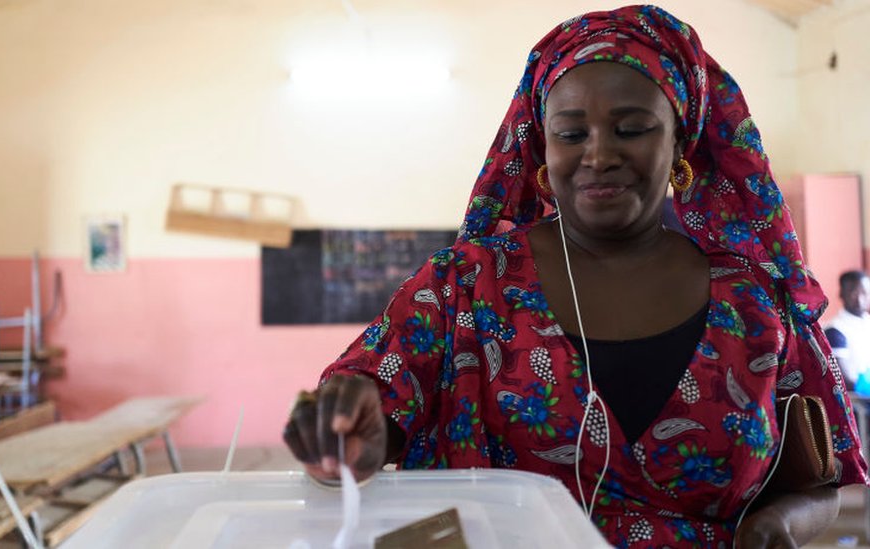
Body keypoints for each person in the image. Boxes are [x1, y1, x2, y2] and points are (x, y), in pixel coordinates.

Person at [282, 5, 868, 547]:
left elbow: (820, 479)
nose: (599, 154)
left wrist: (780, 524)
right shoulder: (465, 287)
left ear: (680, 137)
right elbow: (368, 413)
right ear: (542, 147)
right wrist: (345, 434)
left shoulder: (756, 303)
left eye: (632, 128)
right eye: (570, 133)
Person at [825, 270, 870, 390]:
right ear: (841, 294)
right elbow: (844, 378)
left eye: (865, 293)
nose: (860, 299)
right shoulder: (835, 330)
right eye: (854, 293)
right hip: (857, 402)